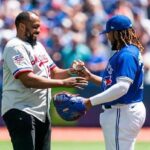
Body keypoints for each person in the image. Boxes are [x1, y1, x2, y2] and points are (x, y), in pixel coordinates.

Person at [1, 11, 88, 150]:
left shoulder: (38, 46)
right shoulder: (15, 46)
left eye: (39, 26)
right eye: (35, 27)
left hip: (41, 111)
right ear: (22, 26)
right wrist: (64, 83)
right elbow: (27, 79)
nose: (39, 30)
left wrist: (71, 71)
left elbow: (54, 72)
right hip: (20, 108)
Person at [81, 15, 146, 150]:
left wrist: (90, 101)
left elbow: (122, 87)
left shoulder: (126, 54)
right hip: (125, 111)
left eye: (109, 33)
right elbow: (114, 85)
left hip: (122, 111)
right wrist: (91, 77)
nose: (108, 37)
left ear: (116, 33)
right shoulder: (128, 51)